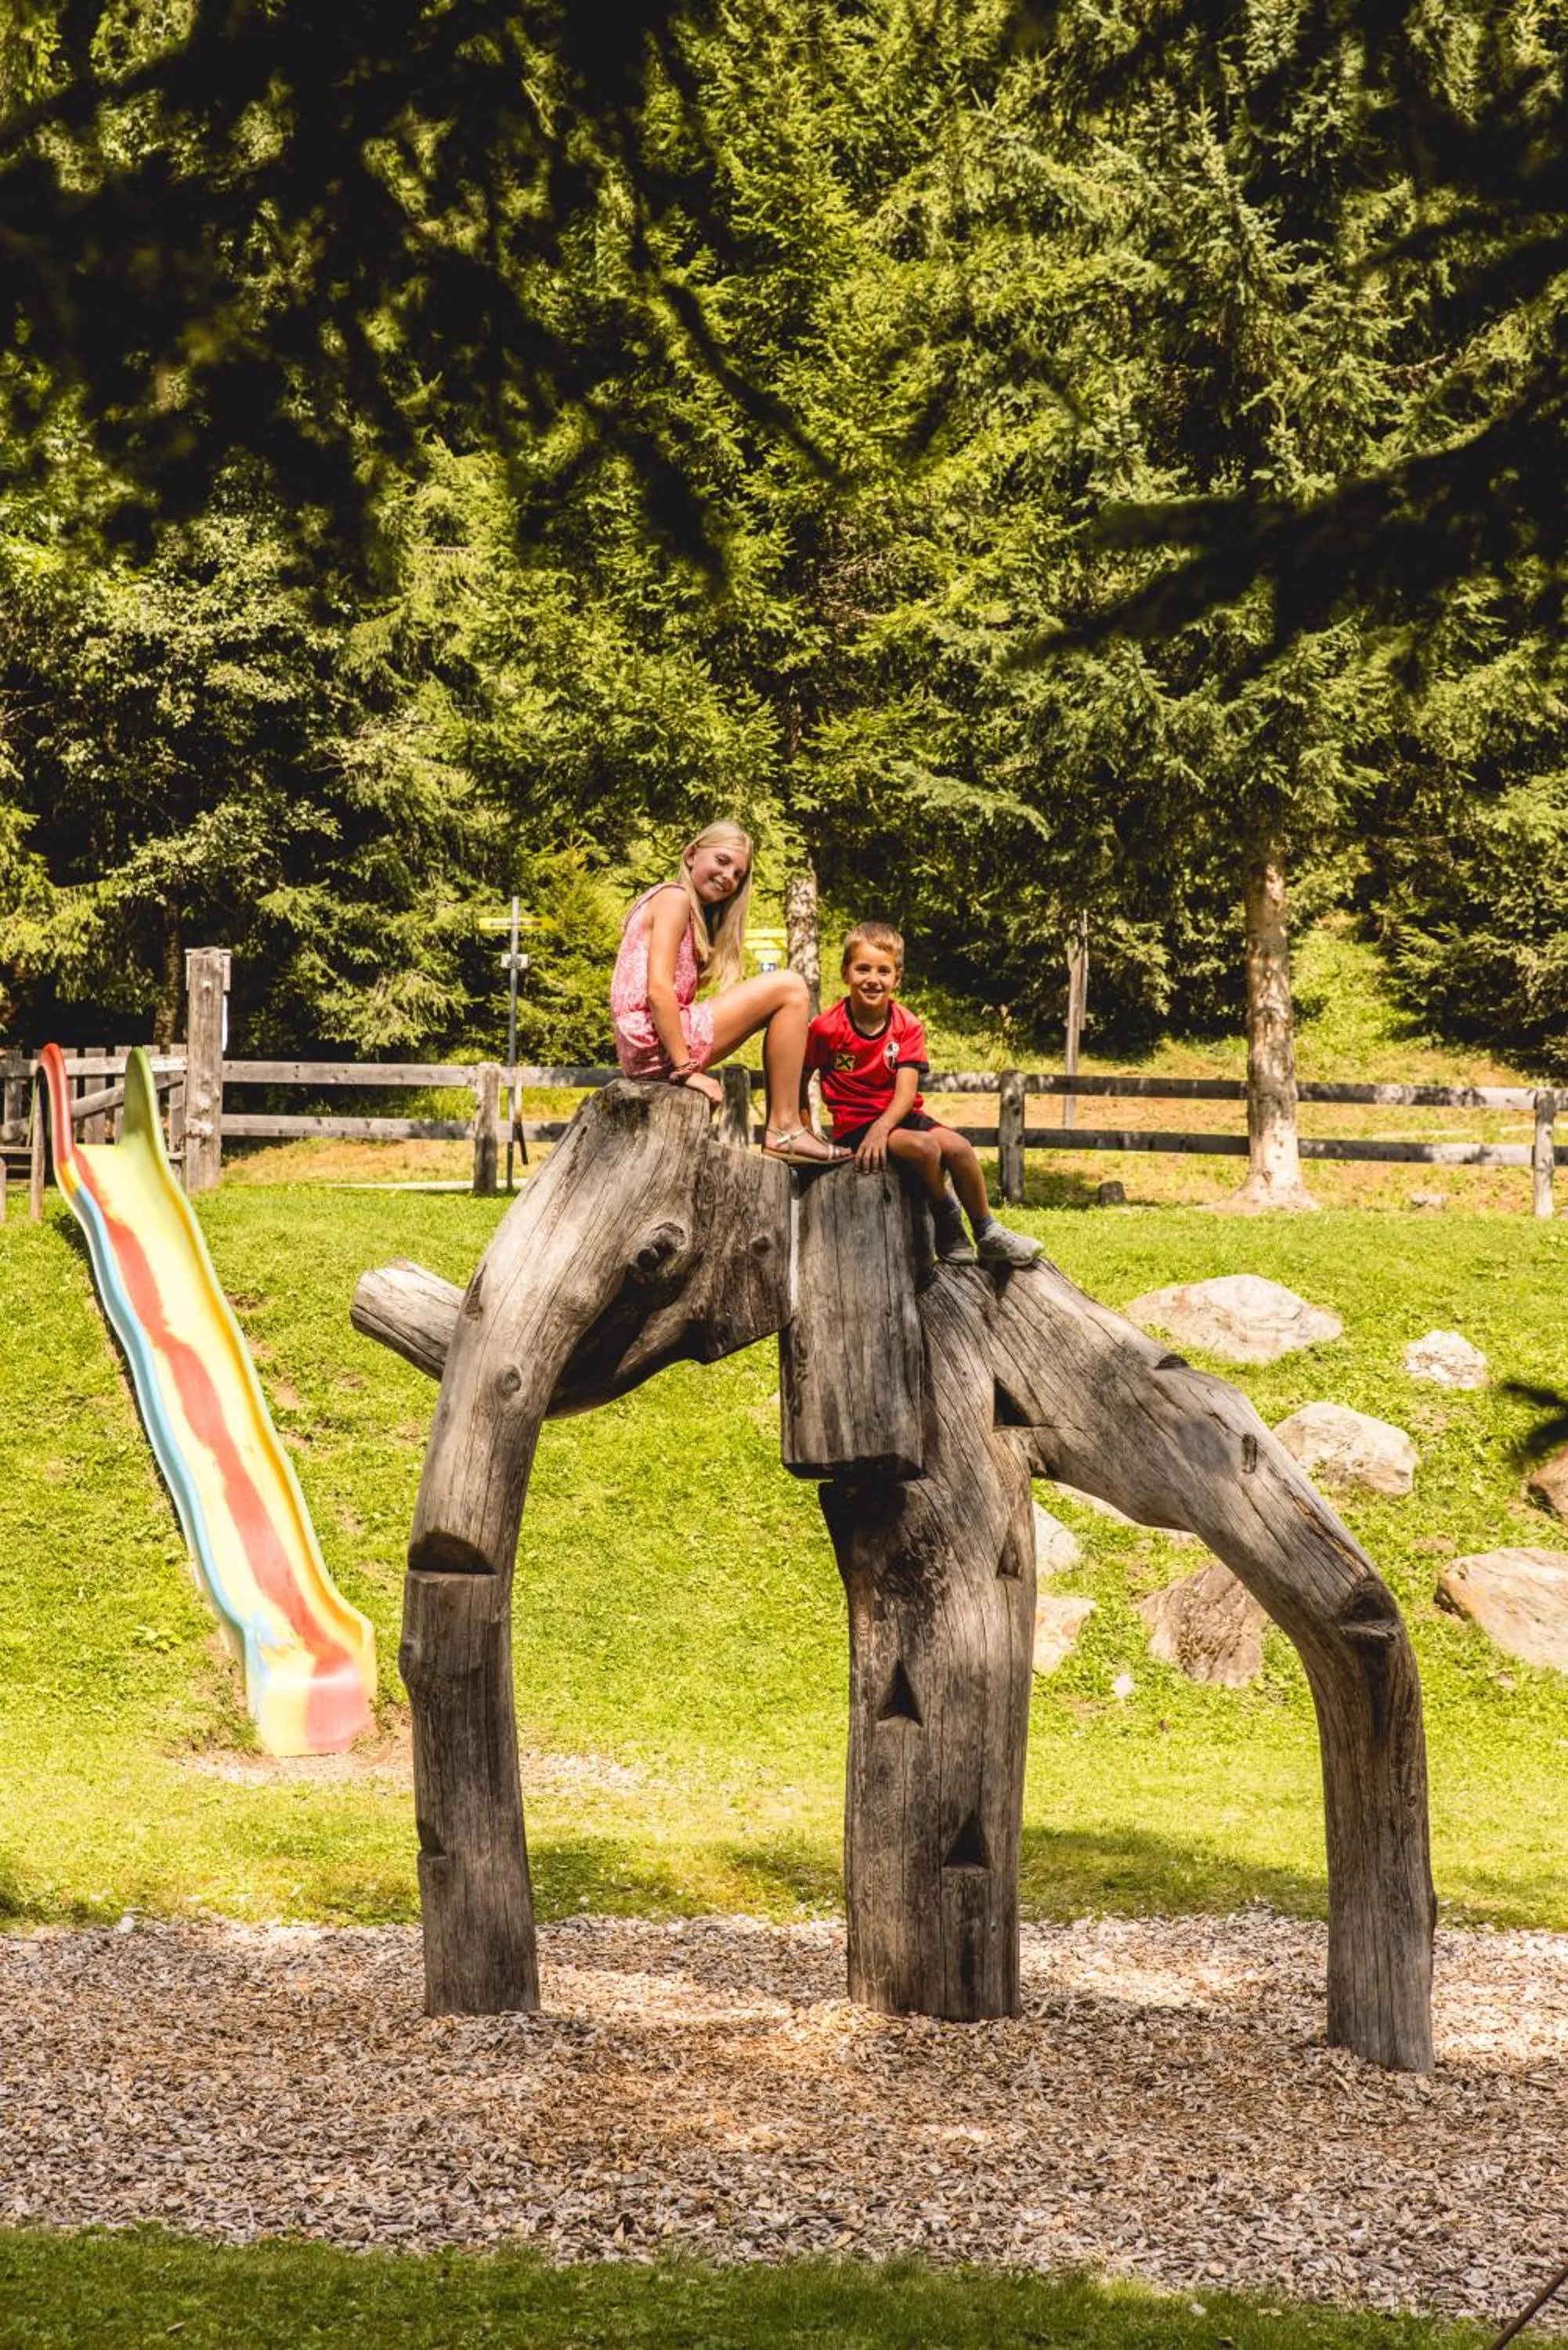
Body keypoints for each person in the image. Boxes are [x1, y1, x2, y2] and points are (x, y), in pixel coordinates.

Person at [802, 920, 1042, 1265]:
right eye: (863, 968)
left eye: (884, 971)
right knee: (924, 1147)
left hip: (898, 1117)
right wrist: (808, 1131)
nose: (873, 979)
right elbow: (800, 1076)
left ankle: (987, 1230)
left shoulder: (907, 1026)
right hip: (856, 1127)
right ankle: (945, 1213)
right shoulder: (826, 1028)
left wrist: (883, 1128)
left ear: (897, 978)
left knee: (959, 1148)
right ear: (845, 973)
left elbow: (905, 1094)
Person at [610, 820, 848, 1165]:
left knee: (787, 991)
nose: (728, 877)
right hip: (652, 1039)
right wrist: (687, 1070)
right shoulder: (674, 898)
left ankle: (790, 1126)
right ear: (692, 854)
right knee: (791, 988)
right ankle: (785, 1129)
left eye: (738, 874)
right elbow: (658, 990)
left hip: (642, 1043)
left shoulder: (675, 906)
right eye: (721, 861)